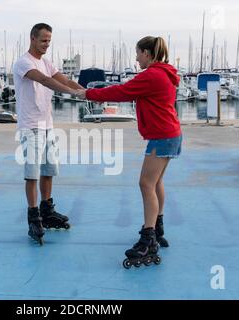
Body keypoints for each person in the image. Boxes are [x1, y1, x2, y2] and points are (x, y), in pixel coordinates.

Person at [75, 36, 182, 268]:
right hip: (169, 134)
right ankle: (157, 226)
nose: (136, 58)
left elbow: (121, 92)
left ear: (147, 53)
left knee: (145, 183)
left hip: (163, 136)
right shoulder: (164, 73)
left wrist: (88, 94)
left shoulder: (152, 75)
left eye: (138, 53)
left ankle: (148, 238)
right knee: (156, 183)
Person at [13, 23, 85, 245]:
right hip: (30, 125)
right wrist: (72, 93)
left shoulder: (46, 62)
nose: (46, 45)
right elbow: (45, 80)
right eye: (43, 40)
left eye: (49, 41)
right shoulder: (23, 62)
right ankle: (34, 216)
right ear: (33, 38)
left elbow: (62, 78)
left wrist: (85, 91)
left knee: (48, 170)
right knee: (32, 174)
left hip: (47, 124)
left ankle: (47, 209)